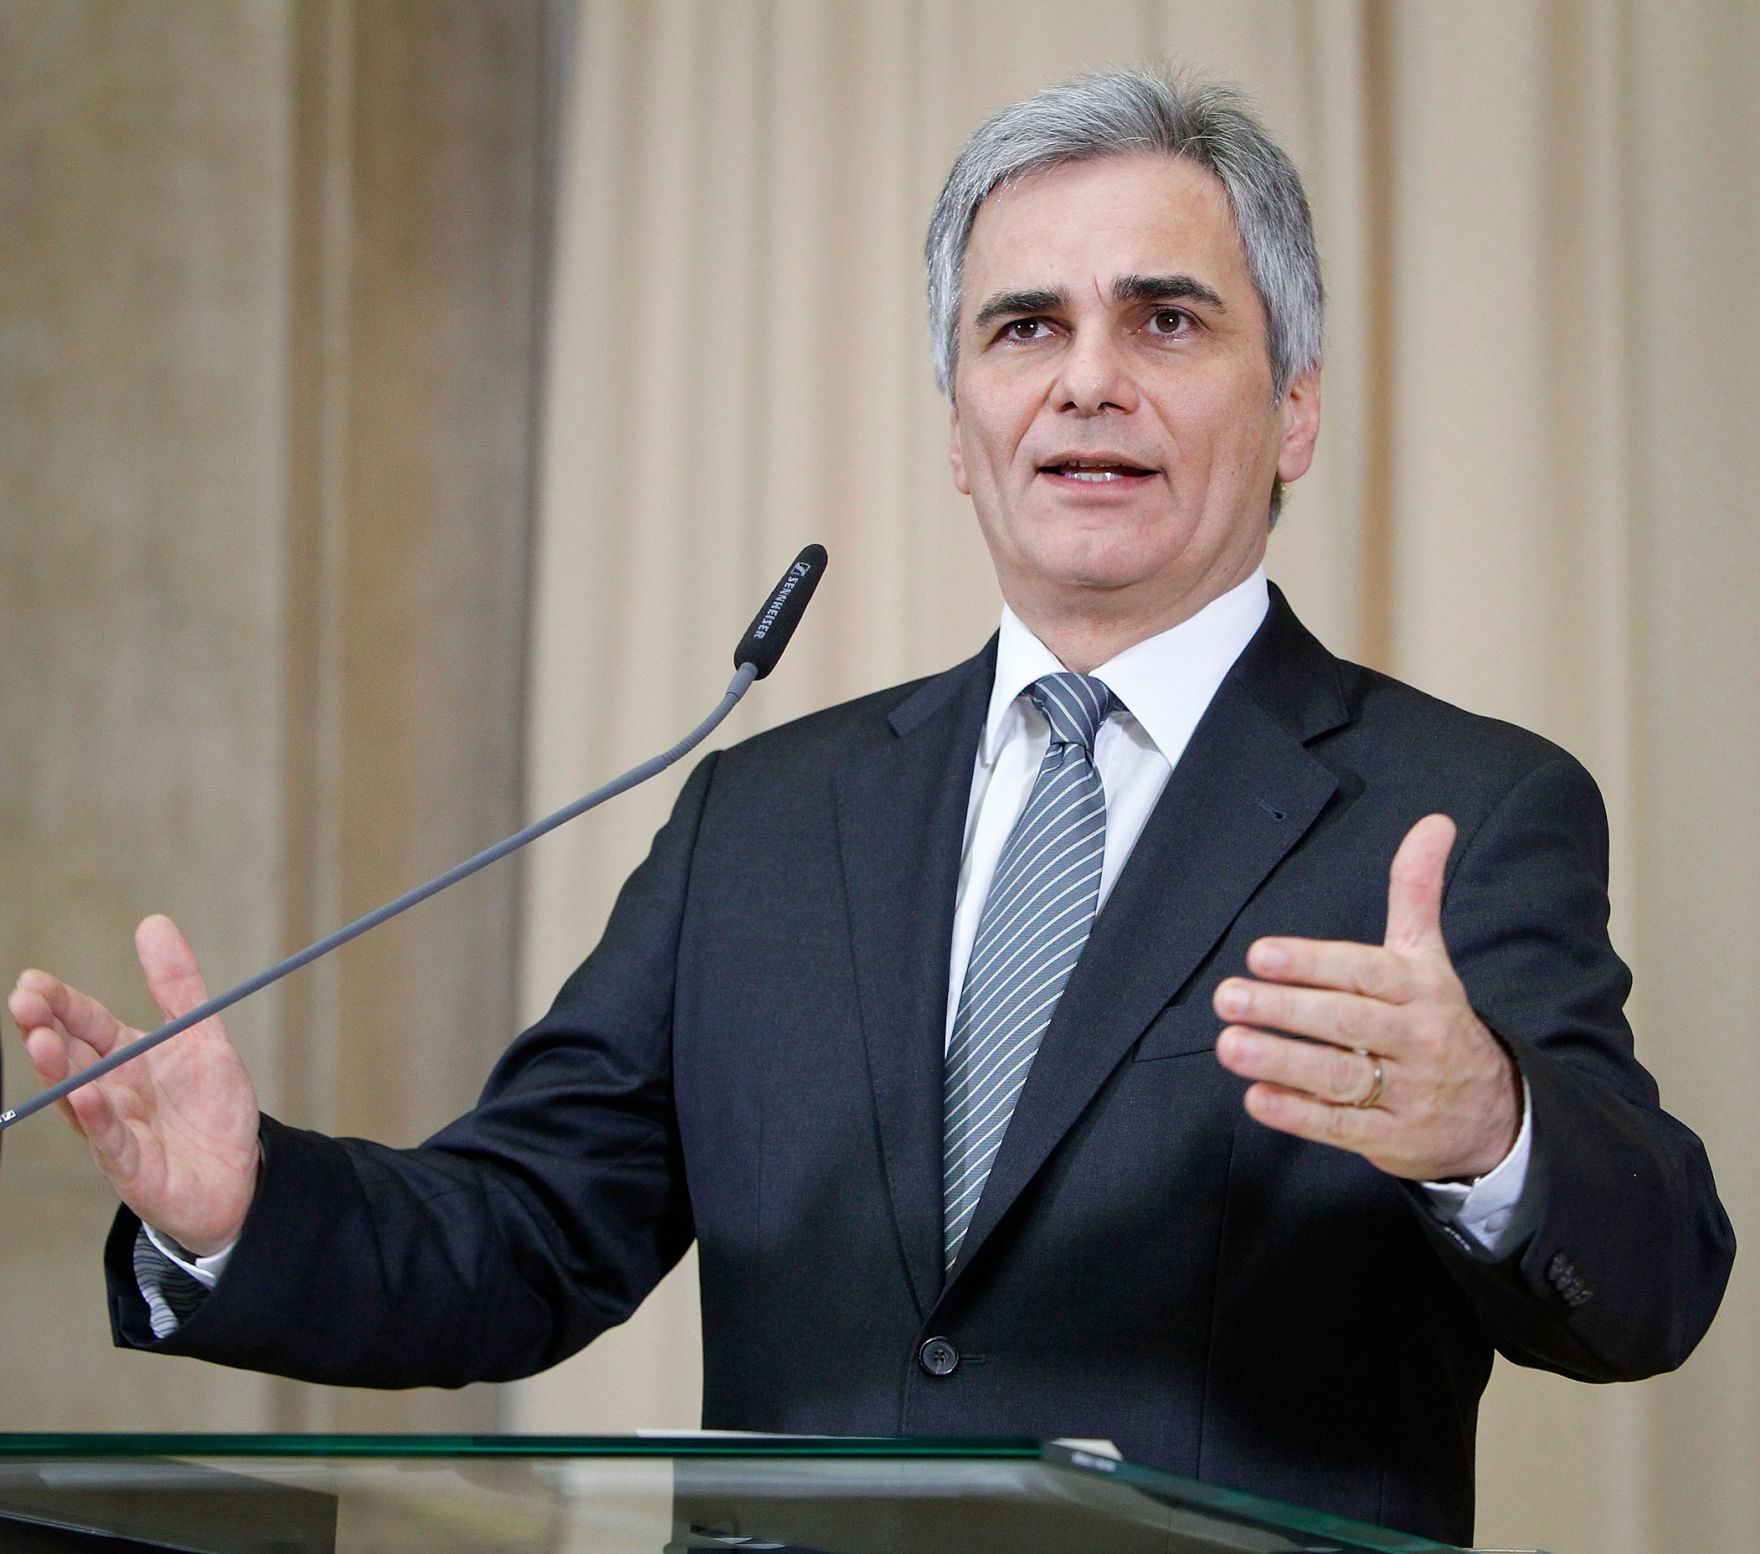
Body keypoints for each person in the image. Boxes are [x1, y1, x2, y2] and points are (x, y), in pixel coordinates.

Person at [10, 67, 1733, 1546]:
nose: (1086, 379)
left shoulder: (1462, 807)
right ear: (959, 425)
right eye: (1024, 327)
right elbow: (528, 1235)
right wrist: (231, 1208)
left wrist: (1492, 1126)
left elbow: (1654, 1282)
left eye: (1167, 318)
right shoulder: (761, 818)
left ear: (1292, 411)